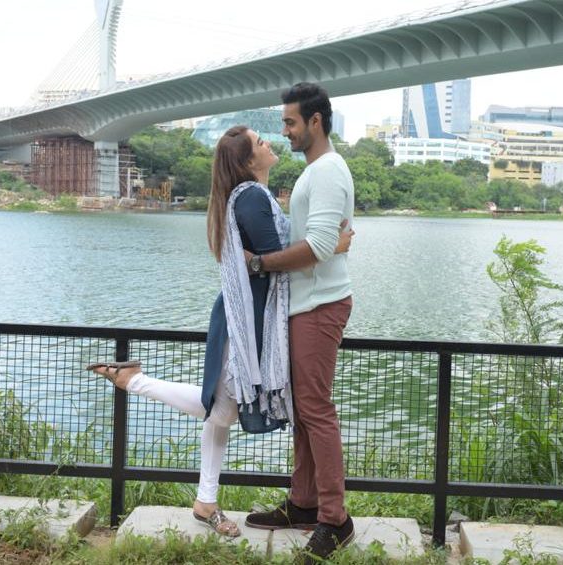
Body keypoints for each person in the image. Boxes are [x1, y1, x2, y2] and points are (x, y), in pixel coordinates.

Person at [87, 125, 352, 538]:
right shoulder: (251, 198)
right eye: (260, 142)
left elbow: (268, 255)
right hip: (244, 320)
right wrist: (331, 246)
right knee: (222, 409)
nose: (269, 142)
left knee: (221, 409)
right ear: (248, 161)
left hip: (243, 315)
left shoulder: (250, 196)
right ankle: (134, 381)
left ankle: (205, 499)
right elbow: (276, 260)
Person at [244, 82, 356, 563]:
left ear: (315, 121)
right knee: (305, 412)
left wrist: (258, 263)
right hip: (306, 304)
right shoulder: (316, 171)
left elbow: (318, 247)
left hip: (319, 305)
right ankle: (303, 503)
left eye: (290, 122)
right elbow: (325, 241)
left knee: (316, 410)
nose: (285, 130)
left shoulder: (327, 171)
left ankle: (335, 520)